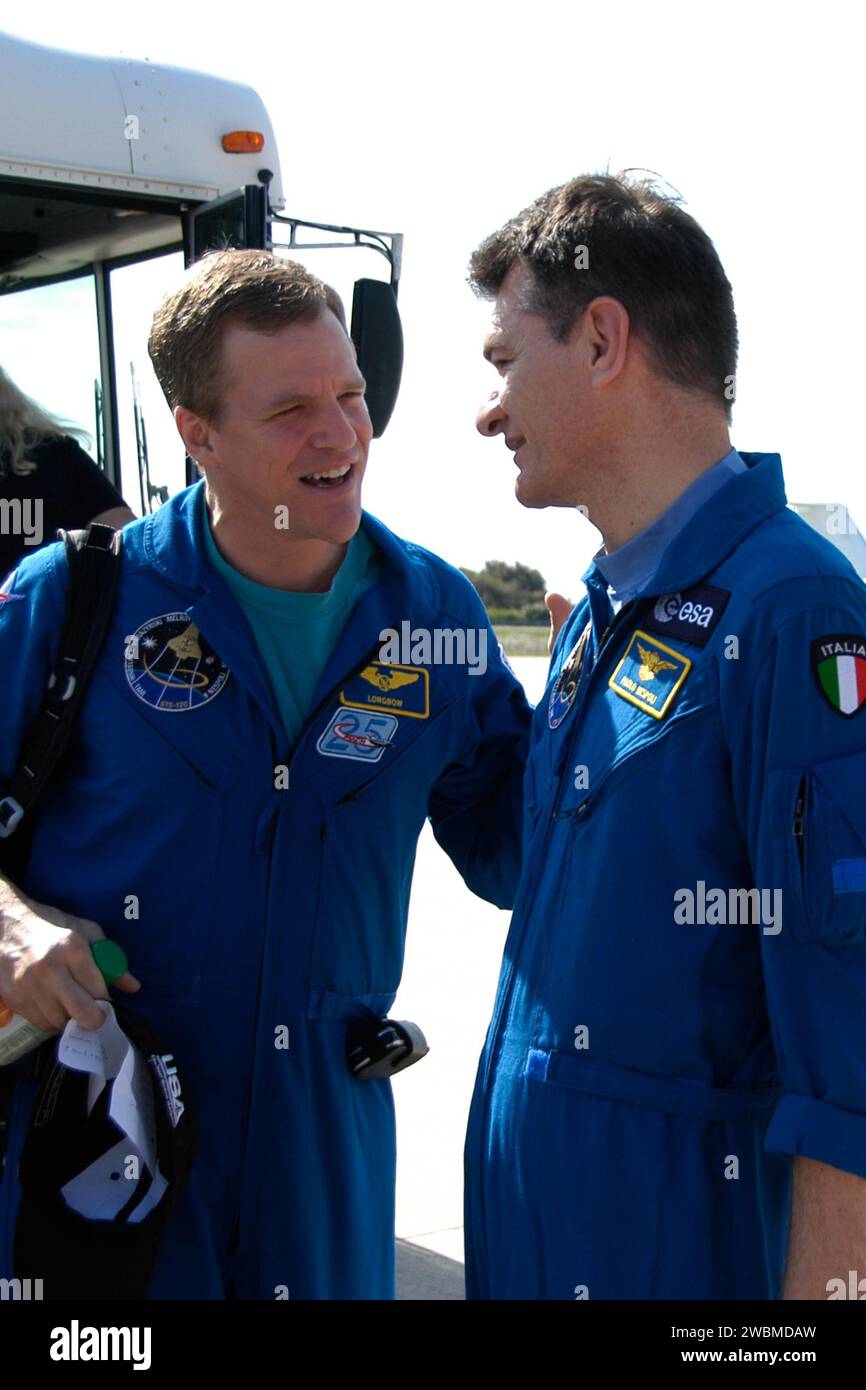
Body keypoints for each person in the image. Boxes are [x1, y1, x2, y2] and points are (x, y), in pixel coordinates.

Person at [0, 249, 531, 1299]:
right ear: (197, 433)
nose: (338, 434)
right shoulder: (70, 602)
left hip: (323, 1183)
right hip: (103, 1167)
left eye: (350, 394)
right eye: (290, 407)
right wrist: (10, 926)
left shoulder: (433, 617)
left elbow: (520, 851)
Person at [464, 173, 866, 1300]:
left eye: (502, 362)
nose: (488, 412)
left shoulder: (792, 612)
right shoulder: (601, 609)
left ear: (600, 339)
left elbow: (850, 1050)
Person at [0, 366, 134, 577]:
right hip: (58, 605)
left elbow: (125, 540)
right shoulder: (54, 452)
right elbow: (128, 543)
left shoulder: (54, 454)